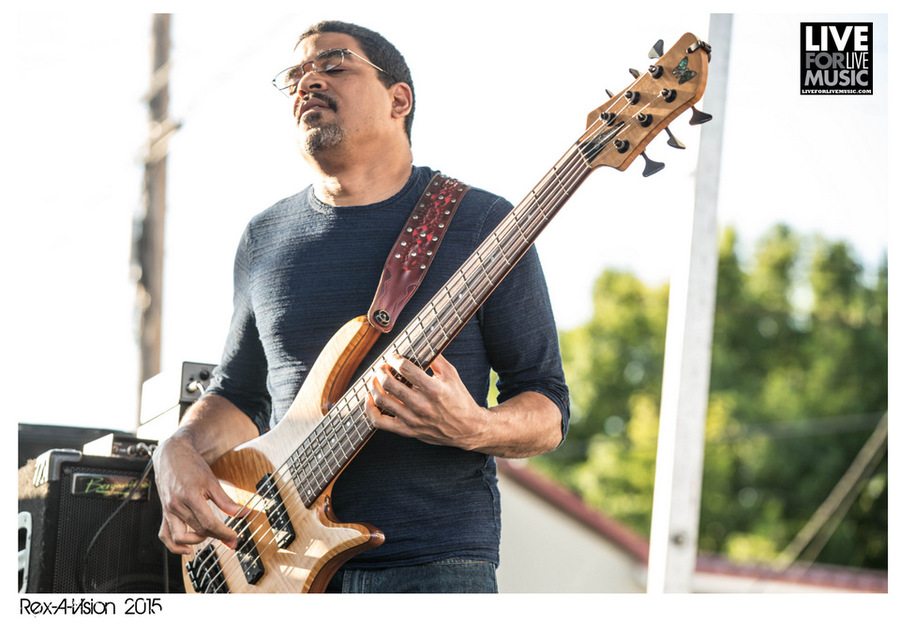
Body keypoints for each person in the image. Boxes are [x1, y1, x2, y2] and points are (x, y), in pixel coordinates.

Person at [152, 20, 570, 593]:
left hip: (433, 568)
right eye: (296, 76)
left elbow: (547, 407)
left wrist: (475, 426)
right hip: (276, 569)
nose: (308, 82)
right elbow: (238, 394)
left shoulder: (483, 224)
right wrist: (175, 451)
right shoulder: (263, 238)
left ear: (399, 100)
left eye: (333, 65)